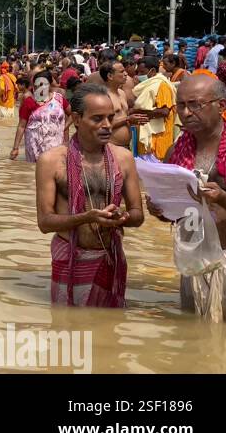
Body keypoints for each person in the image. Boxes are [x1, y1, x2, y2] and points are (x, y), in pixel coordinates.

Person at [35, 83, 143, 307]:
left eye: (110, 118)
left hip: (110, 258)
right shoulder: (52, 161)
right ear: (76, 119)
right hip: (70, 258)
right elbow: (45, 223)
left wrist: (121, 218)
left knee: (110, 331)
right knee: (69, 331)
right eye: (97, 119)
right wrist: (88, 217)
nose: (107, 126)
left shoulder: (123, 158)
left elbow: (138, 215)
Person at [148, 75, 226, 321]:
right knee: (194, 341)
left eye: (195, 105)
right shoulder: (175, 151)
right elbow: (174, 213)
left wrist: (222, 197)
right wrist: (159, 210)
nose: (187, 112)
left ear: (221, 106)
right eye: (181, 106)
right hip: (193, 262)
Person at [10, 70, 70, 162]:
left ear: (50, 84)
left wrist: (65, 128)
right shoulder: (29, 102)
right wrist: (15, 148)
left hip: (56, 144)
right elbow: (21, 126)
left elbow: (74, 114)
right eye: (38, 85)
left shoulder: (58, 99)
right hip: (34, 145)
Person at [130, 56, 177, 159]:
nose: (139, 75)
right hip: (149, 141)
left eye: (142, 72)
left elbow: (164, 111)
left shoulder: (162, 85)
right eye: (138, 72)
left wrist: (136, 112)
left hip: (159, 141)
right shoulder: (149, 85)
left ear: (153, 71)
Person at [99, 61, 133, 149]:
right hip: (111, 147)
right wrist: (127, 119)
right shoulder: (103, 96)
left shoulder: (122, 93)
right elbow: (102, 125)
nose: (126, 74)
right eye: (121, 72)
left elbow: (124, 116)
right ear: (110, 76)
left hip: (126, 146)